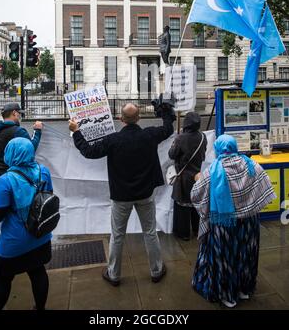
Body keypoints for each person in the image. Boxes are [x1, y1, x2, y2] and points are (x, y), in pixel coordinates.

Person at [69, 102, 175, 286]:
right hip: (145, 194)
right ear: (139, 118)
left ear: (121, 119)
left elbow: (88, 151)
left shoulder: (113, 140)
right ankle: (156, 271)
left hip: (121, 197)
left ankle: (114, 274)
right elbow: (168, 128)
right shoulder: (149, 135)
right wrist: (164, 110)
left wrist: (77, 131)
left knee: (117, 235)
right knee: (150, 232)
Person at [191, 134, 276, 308]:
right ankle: (244, 289)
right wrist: (248, 204)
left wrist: (197, 179)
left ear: (218, 149)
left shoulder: (213, 170)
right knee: (246, 255)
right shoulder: (251, 165)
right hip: (249, 223)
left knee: (225, 258)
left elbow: (196, 194)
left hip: (224, 224)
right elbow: (265, 186)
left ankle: (227, 295)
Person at [0, 138, 53, 310]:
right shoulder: (44, 171)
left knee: (2, 281)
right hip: (40, 235)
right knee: (38, 272)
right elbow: (48, 197)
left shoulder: (6, 180)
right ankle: (40, 308)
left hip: (14, 242)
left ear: (10, 154)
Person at [168, 112, 207, 240]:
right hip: (197, 175)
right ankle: (197, 230)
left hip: (183, 176)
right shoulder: (203, 137)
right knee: (195, 204)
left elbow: (172, 154)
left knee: (182, 206)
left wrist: (176, 140)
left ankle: (183, 233)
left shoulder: (180, 138)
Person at [0, 102, 42, 177]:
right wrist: (37, 131)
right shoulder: (18, 131)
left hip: (1, 174)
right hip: (16, 176)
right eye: (19, 113)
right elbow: (31, 148)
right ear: (14, 113)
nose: (20, 116)